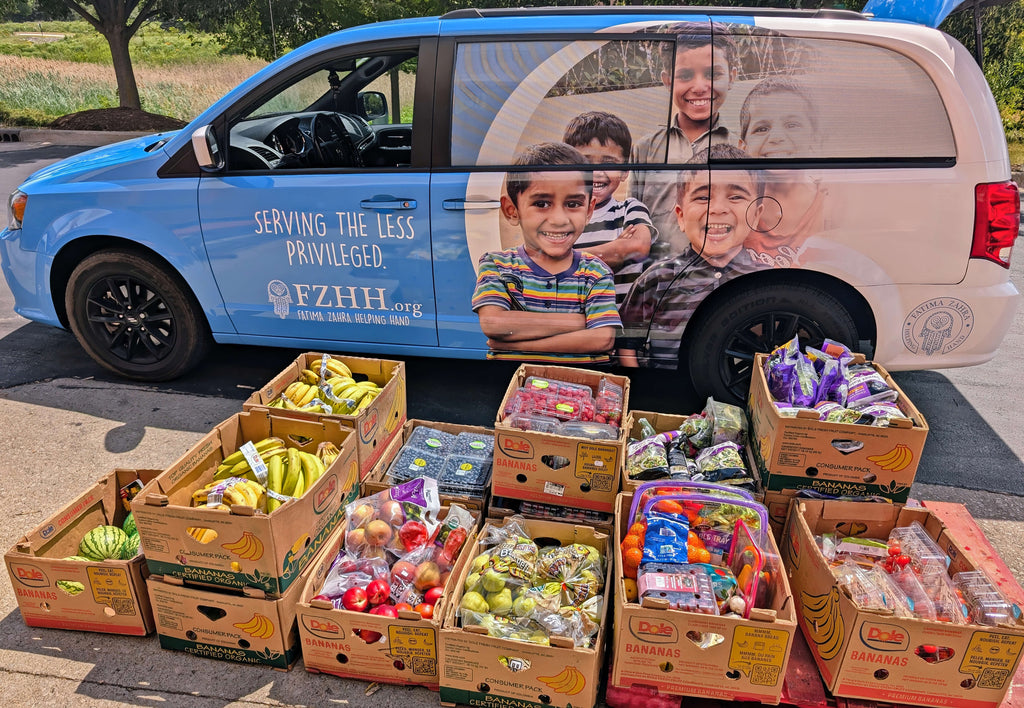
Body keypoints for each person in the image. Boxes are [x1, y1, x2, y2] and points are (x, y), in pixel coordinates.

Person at [472, 142, 621, 363]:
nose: (559, 220)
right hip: (514, 382)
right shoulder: (497, 265)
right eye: (542, 203)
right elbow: (494, 323)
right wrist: (578, 322)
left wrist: (516, 345)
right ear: (512, 211)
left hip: (579, 382)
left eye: (573, 204)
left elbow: (602, 339)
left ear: (589, 210)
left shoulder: (596, 272)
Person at [618, 144, 763, 367]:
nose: (718, 209)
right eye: (703, 197)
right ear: (681, 216)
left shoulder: (766, 280)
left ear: (756, 215)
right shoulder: (656, 279)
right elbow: (627, 346)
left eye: (735, 196)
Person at [631, 23, 738, 253]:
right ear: (668, 81)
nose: (699, 87)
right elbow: (633, 220)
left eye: (713, 74)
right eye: (685, 75)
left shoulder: (740, 148)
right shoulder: (646, 149)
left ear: (732, 77)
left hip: (721, 270)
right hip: (657, 271)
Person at [562, 110, 656, 303]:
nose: (597, 172)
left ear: (625, 171)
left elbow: (637, 247)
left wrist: (564, 259)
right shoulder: (560, 215)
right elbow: (541, 261)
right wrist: (615, 249)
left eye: (608, 162)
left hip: (619, 317)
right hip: (571, 315)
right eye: (585, 162)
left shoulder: (629, 209)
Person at [738, 76, 827, 268]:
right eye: (762, 128)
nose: (776, 137)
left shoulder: (831, 205)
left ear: (814, 138)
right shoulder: (734, 207)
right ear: (743, 147)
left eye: (792, 125)